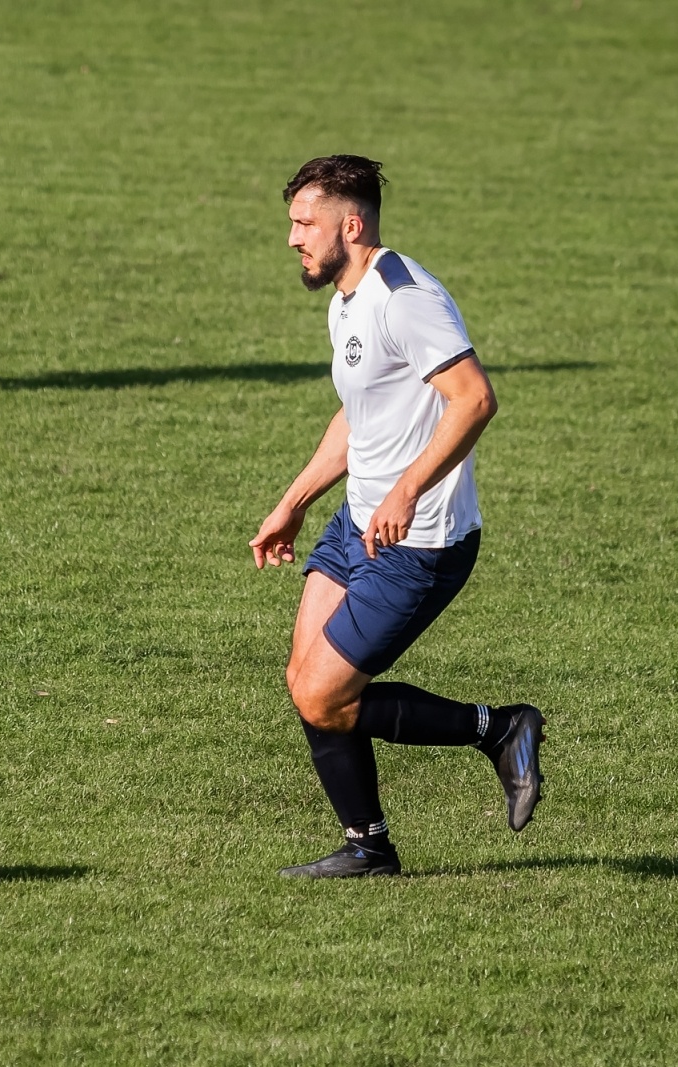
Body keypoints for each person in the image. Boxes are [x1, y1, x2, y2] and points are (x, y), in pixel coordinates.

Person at [249, 155, 546, 878]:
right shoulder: (345, 300)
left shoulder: (404, 296)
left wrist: (409, 489)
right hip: (359, 522)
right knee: (305, 680)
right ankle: (368, 844)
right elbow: (361, 417)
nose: (292, 238)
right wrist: (294, 501)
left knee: (325, 691)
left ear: (350, 225)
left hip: (420, 540)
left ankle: (500, 728)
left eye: (303, 223)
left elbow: (473, 398)